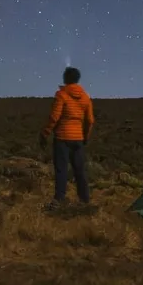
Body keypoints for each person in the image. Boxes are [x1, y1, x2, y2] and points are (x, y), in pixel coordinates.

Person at [39, 66, 94, 207]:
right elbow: (90, 120)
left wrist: (45, 133)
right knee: (79, 170)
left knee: (61, 169)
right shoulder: (86, 97)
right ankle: (85, 199)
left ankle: (59, 199)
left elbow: (54, 117)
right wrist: (85, 136)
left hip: (62, 138)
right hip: (78, 139)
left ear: (66, 78)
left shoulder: (62, 94)